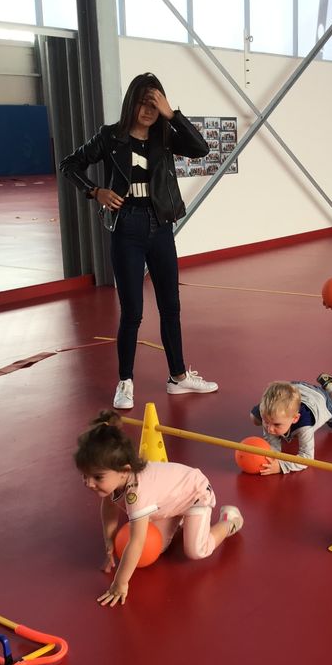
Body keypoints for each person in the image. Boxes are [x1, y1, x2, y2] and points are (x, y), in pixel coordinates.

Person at [59, 73, 216, 411]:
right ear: (131, 102)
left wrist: (172, 115)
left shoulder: (165, 136)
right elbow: (69, 165)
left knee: (171, 307)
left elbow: (201, 149)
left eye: (154, 104)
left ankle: (178, 377)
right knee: (132, 311)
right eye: (143, 103)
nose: (148, 110)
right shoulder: (110, 136)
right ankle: (125, 382)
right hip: (126, 226)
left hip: (160, 226)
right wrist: (95, 191)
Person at [75, 410, 243, 607]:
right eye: (85, 475)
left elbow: (137, 542)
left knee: (196, 550)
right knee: (158, 547)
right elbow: (109, 507)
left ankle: (229, 521)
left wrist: (120, 583)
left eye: (97, 477)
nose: (89, 483)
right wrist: (109, 541)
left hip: (195, 495)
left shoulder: (137, 494)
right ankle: (181, 521)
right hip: (171, 501)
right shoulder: (118, 480)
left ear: (124, 471)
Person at [249, 378, 332, 474]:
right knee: (254, 418)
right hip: (293, 388)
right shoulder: (270, 416)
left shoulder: (305, 426)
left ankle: (330, 387)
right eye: (266, 421)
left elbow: (306, 459)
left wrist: (281, 466)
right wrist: (272, 456)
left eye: (277, 424)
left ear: (295, 418)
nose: (269, 429)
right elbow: (273, 446)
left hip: (319, 398)